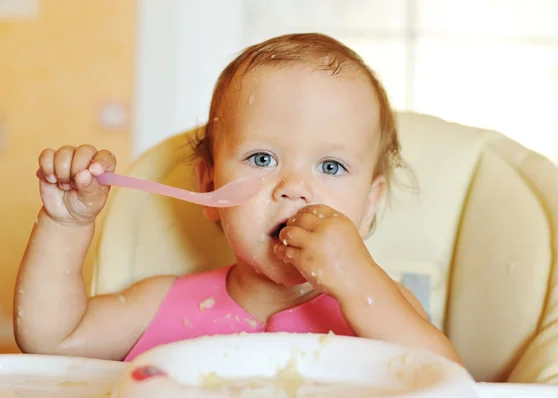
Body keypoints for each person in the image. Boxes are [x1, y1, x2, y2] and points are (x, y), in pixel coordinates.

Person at [14, 33, 461, 364]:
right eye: (262, 157)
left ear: (369, 205)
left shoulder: (383, 313)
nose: (293, 186)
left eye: (330, 167)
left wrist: (357, 280)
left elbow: (446, 379)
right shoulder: (162, 306)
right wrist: (67, 222)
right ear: (208, 188)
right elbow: (53, 339)